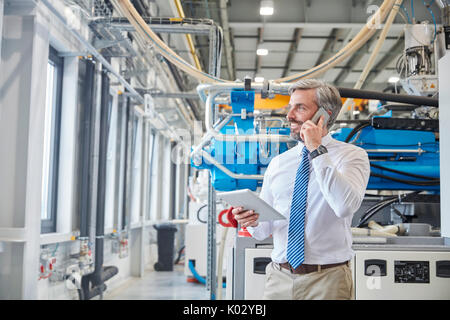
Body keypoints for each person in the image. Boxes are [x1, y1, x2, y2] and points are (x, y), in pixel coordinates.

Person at [232, 79, 370, 300]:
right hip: (279, 278)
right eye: (290, 107)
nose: (289, 115)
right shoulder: (279, 163)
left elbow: (344, 206)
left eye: (300, 108)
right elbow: (263, 230)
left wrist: (316, 149)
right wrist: (251, 219)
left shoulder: (352, 156)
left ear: (324, 114)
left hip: (327, 280)